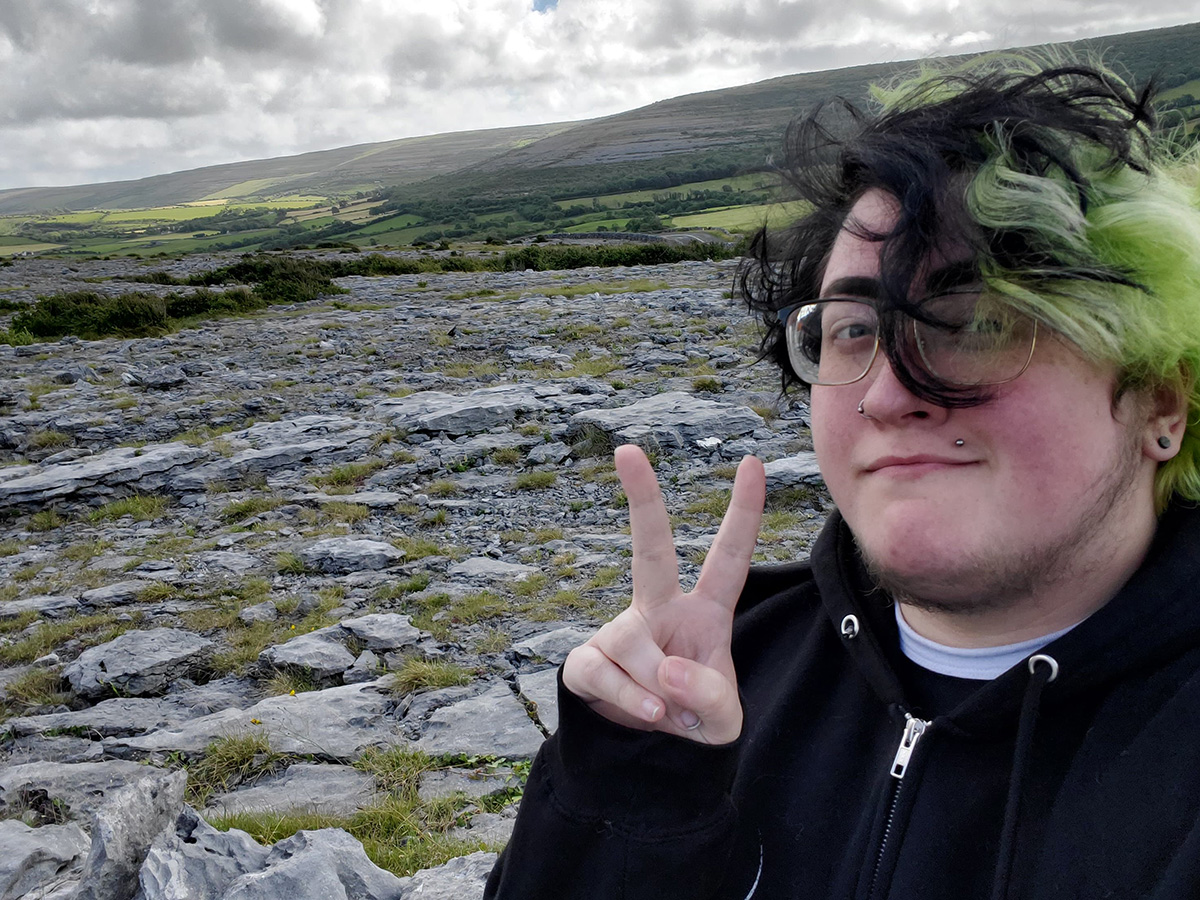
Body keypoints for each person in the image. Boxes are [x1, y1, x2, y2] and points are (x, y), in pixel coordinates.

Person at [484, 51, 1200, 900]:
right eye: (854, 329)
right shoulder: (714, 677)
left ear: (1163, 400)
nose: (892, 394)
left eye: (975, 321)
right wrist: (634, 804)